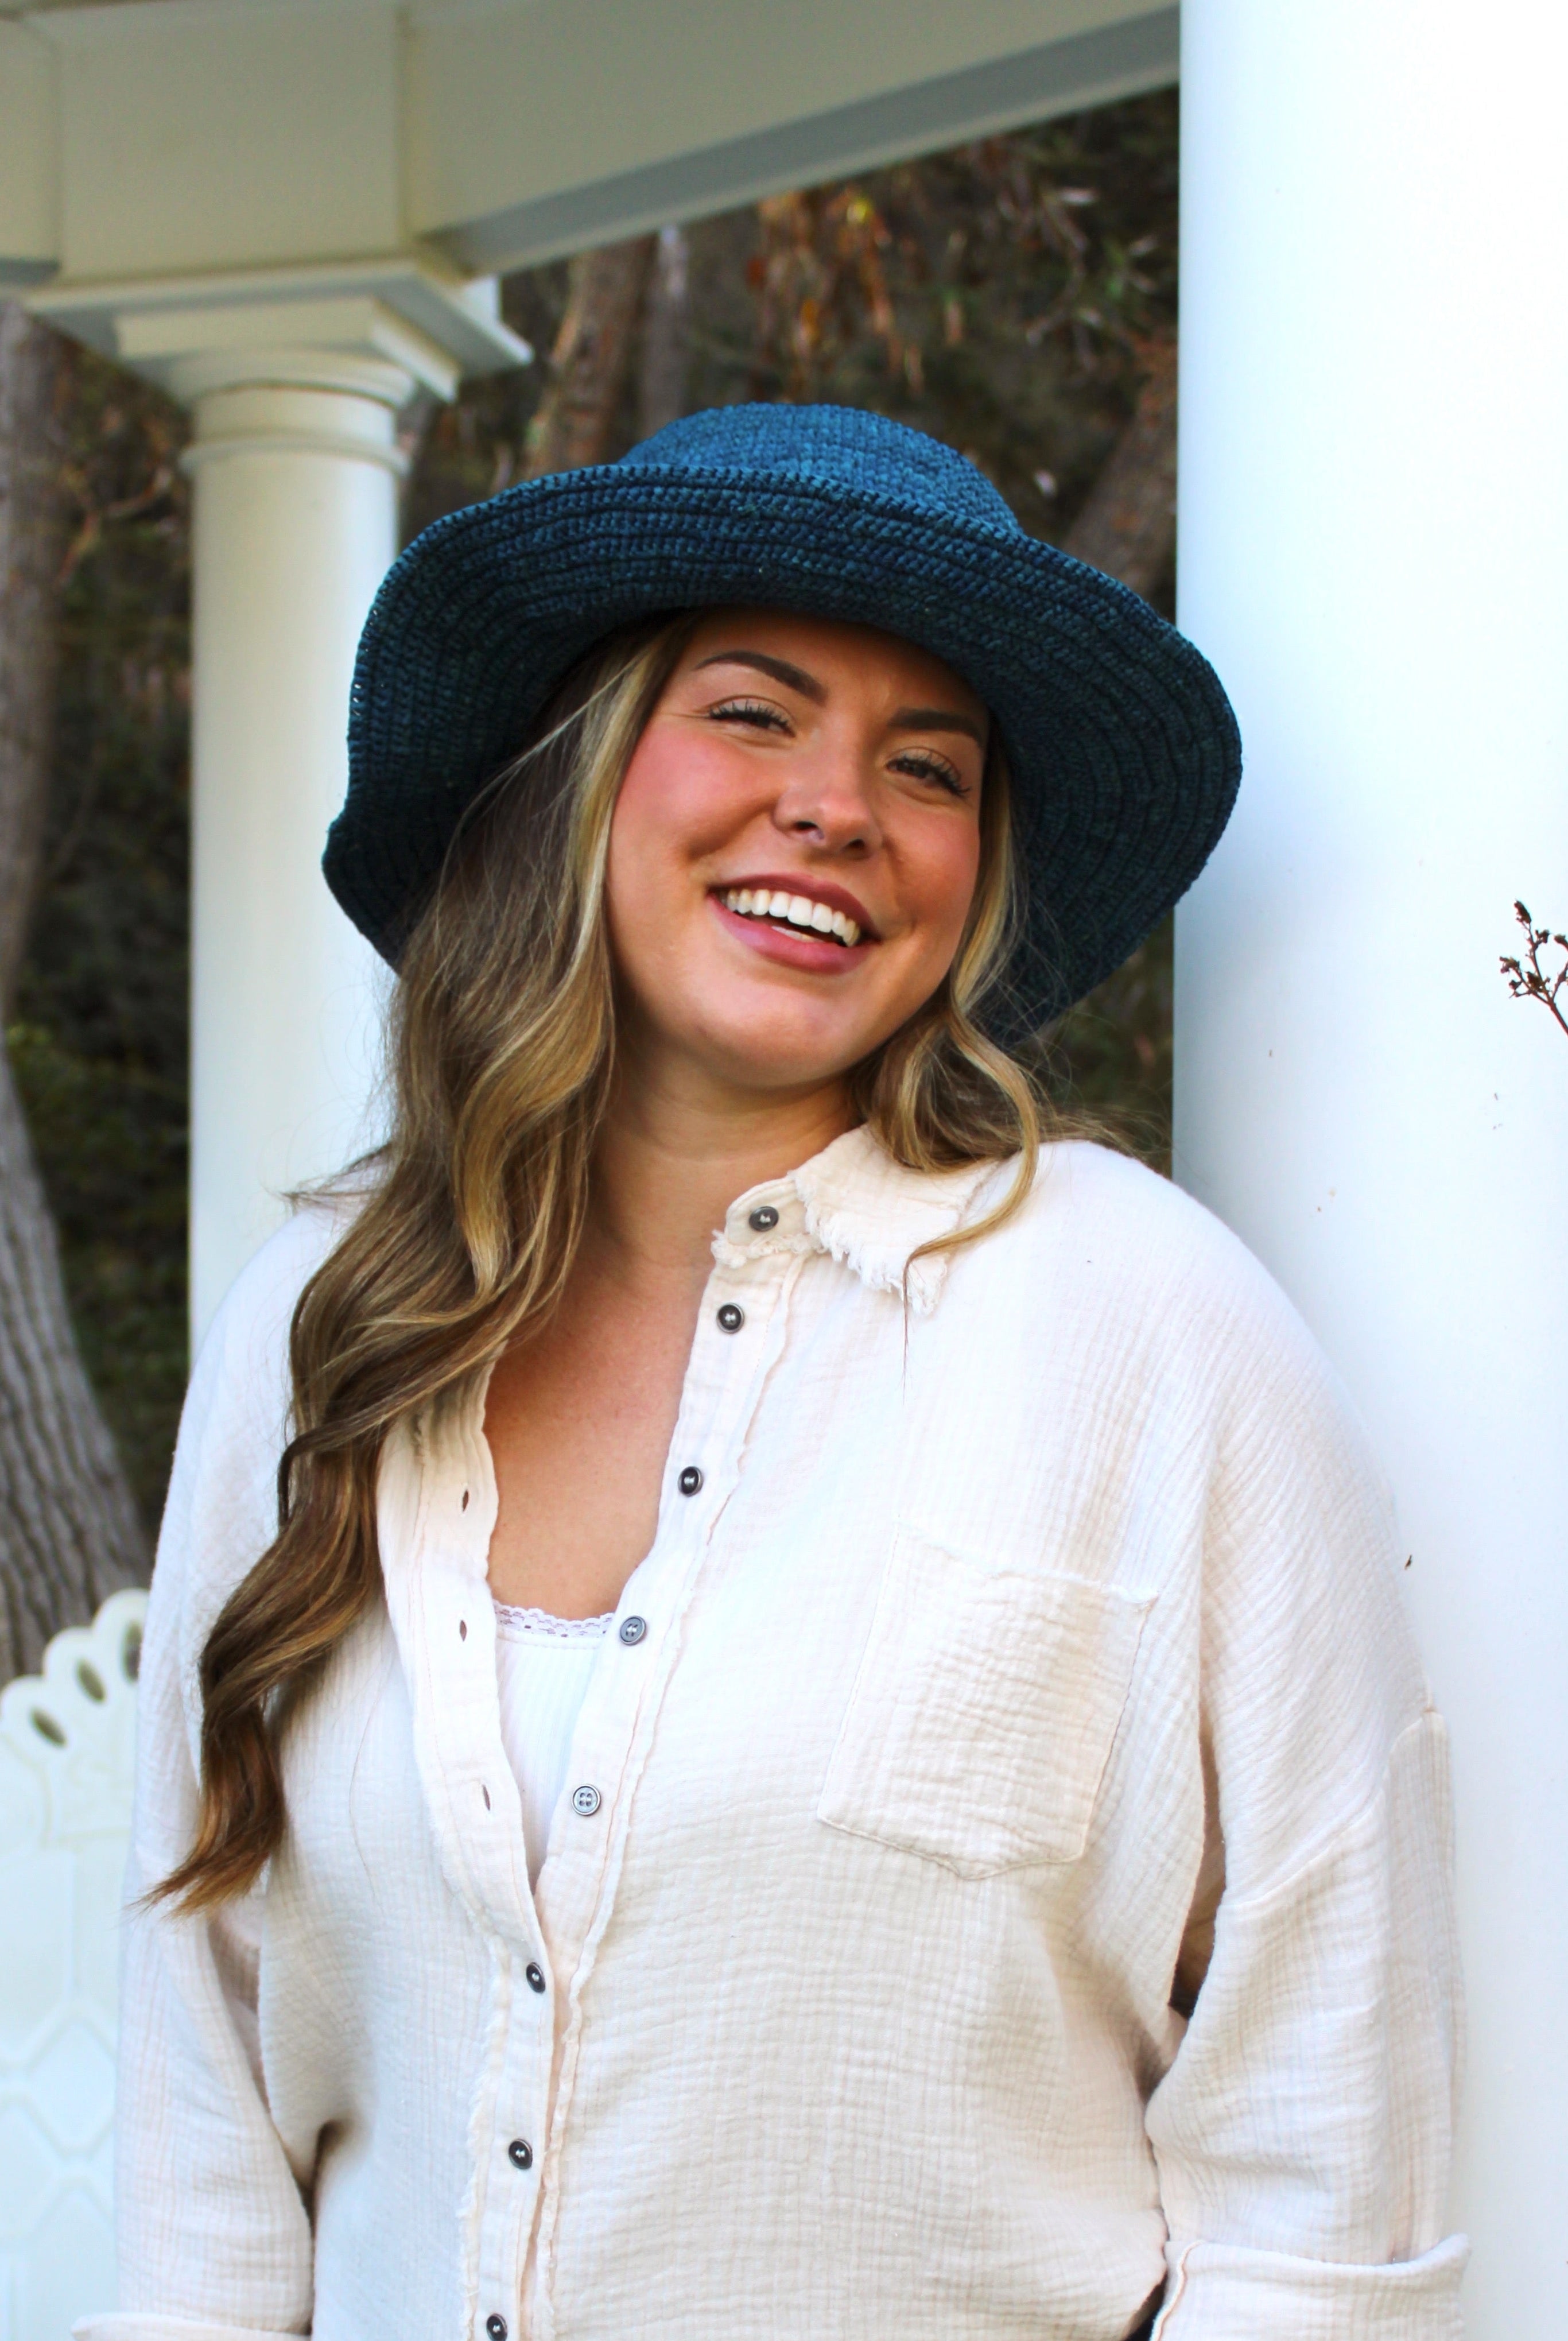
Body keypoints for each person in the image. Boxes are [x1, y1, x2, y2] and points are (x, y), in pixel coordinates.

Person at [81, 405, 1465, 2341]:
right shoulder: (326, 1321)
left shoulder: (1146, 1327)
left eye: (928, 767)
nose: (836, 808)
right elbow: (207, 2147)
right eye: (750, 713)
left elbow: (1323, 2167)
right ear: (579, 775)